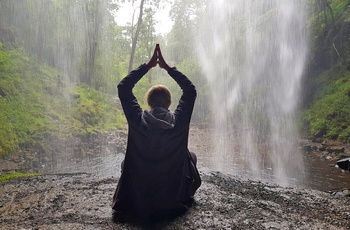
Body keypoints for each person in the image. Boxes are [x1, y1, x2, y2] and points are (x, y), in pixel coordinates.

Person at [112, 44, 201, 223]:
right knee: (191, 156)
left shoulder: (137, 121)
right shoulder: (179, 123)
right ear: (169, 103)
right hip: (172, 202)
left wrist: (147, 66)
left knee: (125, 161)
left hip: (135, 203)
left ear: (149, 103)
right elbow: (190, 91)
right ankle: (182, 192)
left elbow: (123, 87)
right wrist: (168, 69)